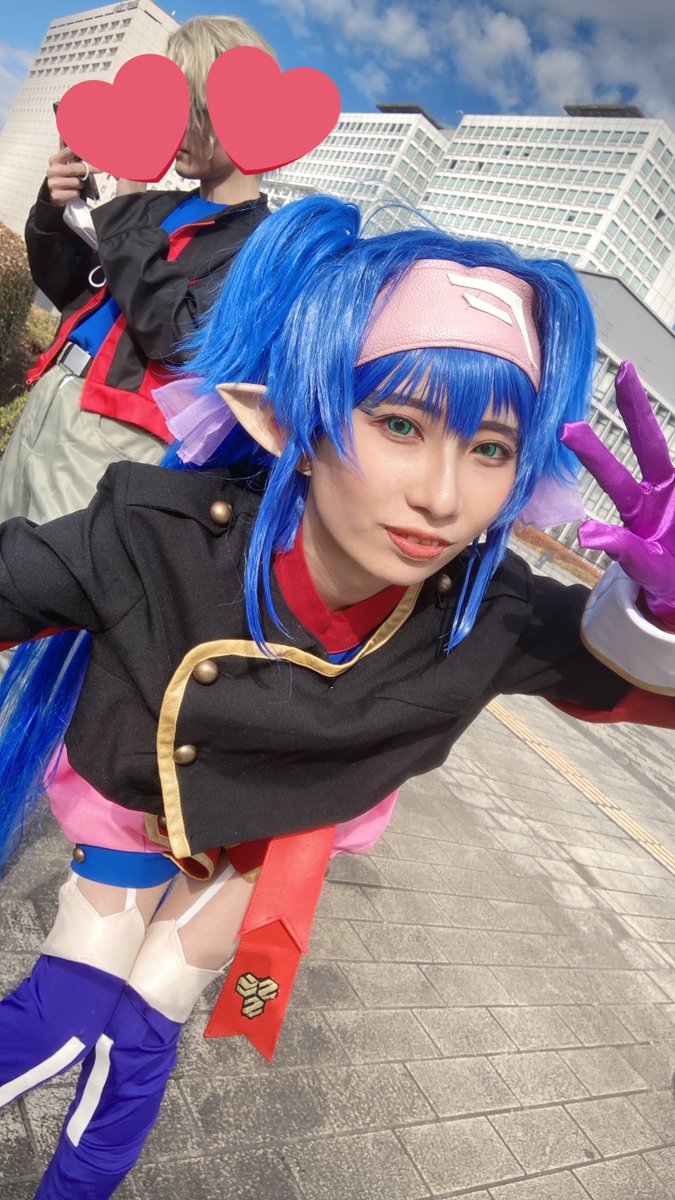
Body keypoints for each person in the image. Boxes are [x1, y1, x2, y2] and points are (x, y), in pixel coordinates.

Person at [0, 194, 673, 1198]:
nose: (440, 496)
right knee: (67, 1011)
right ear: (296, 422)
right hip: (140, 799)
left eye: (490, 449)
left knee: (146, 1020)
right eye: (399, 424)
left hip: (275, 836)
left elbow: (639, 695)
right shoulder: (156, 538)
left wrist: (661, 618)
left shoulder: (491, 615)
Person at [0, 15, 273, 527]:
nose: (172, 124)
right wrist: (53, 208)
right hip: (54, 393)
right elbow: (68, 287)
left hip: (115, 437)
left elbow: (178, 337)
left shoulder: (262, 245)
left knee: (41, 572)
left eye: (189, 108)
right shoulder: (160, 205)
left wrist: (126, 199)